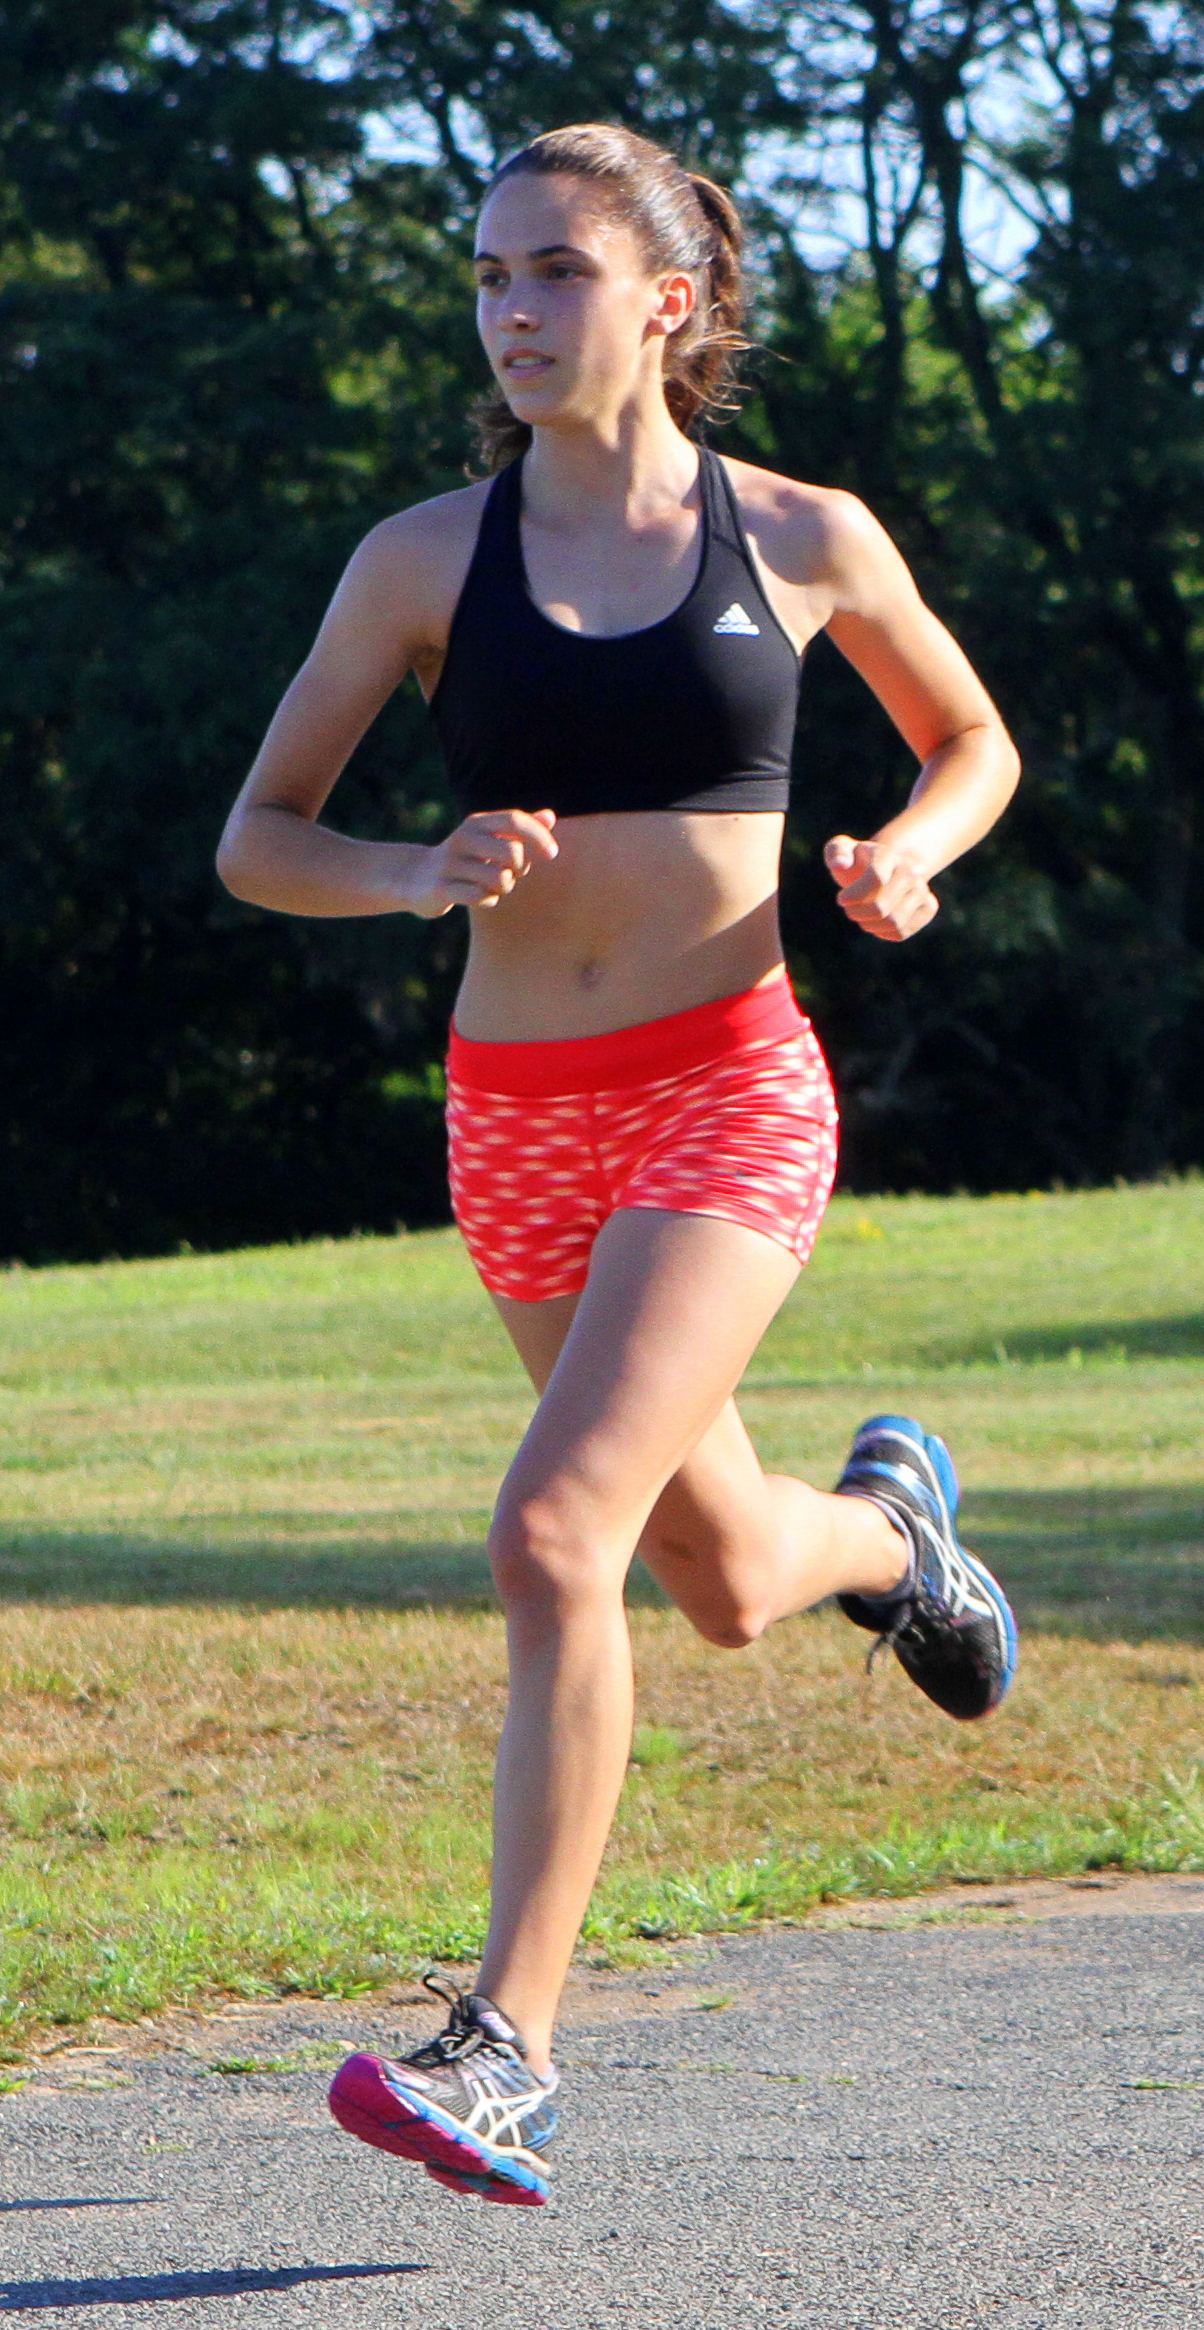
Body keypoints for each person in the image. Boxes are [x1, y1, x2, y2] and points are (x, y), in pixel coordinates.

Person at [216, 121, 1020, 2210]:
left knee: (553, 1531)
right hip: (513, 1116)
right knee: (723, 1578)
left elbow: (973, 741)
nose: (511, 309)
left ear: (669, 302)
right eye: (490, 275)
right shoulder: (419, 563)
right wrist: (414, 869)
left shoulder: (804, 534)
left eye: (556, 272)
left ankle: (507, 2050)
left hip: (725, 1090)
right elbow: (260, 837)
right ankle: (896, 1541)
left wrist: (905, 853)